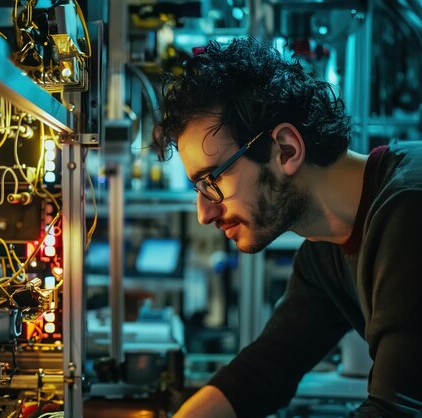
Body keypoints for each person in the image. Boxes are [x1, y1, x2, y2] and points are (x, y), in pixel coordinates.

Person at [152, 37, 422, 418]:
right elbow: (264, 372)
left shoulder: (409, 210)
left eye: (211, 181)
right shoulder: (325, 250)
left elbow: (395, 411)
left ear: (286, 150)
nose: (204, 214)